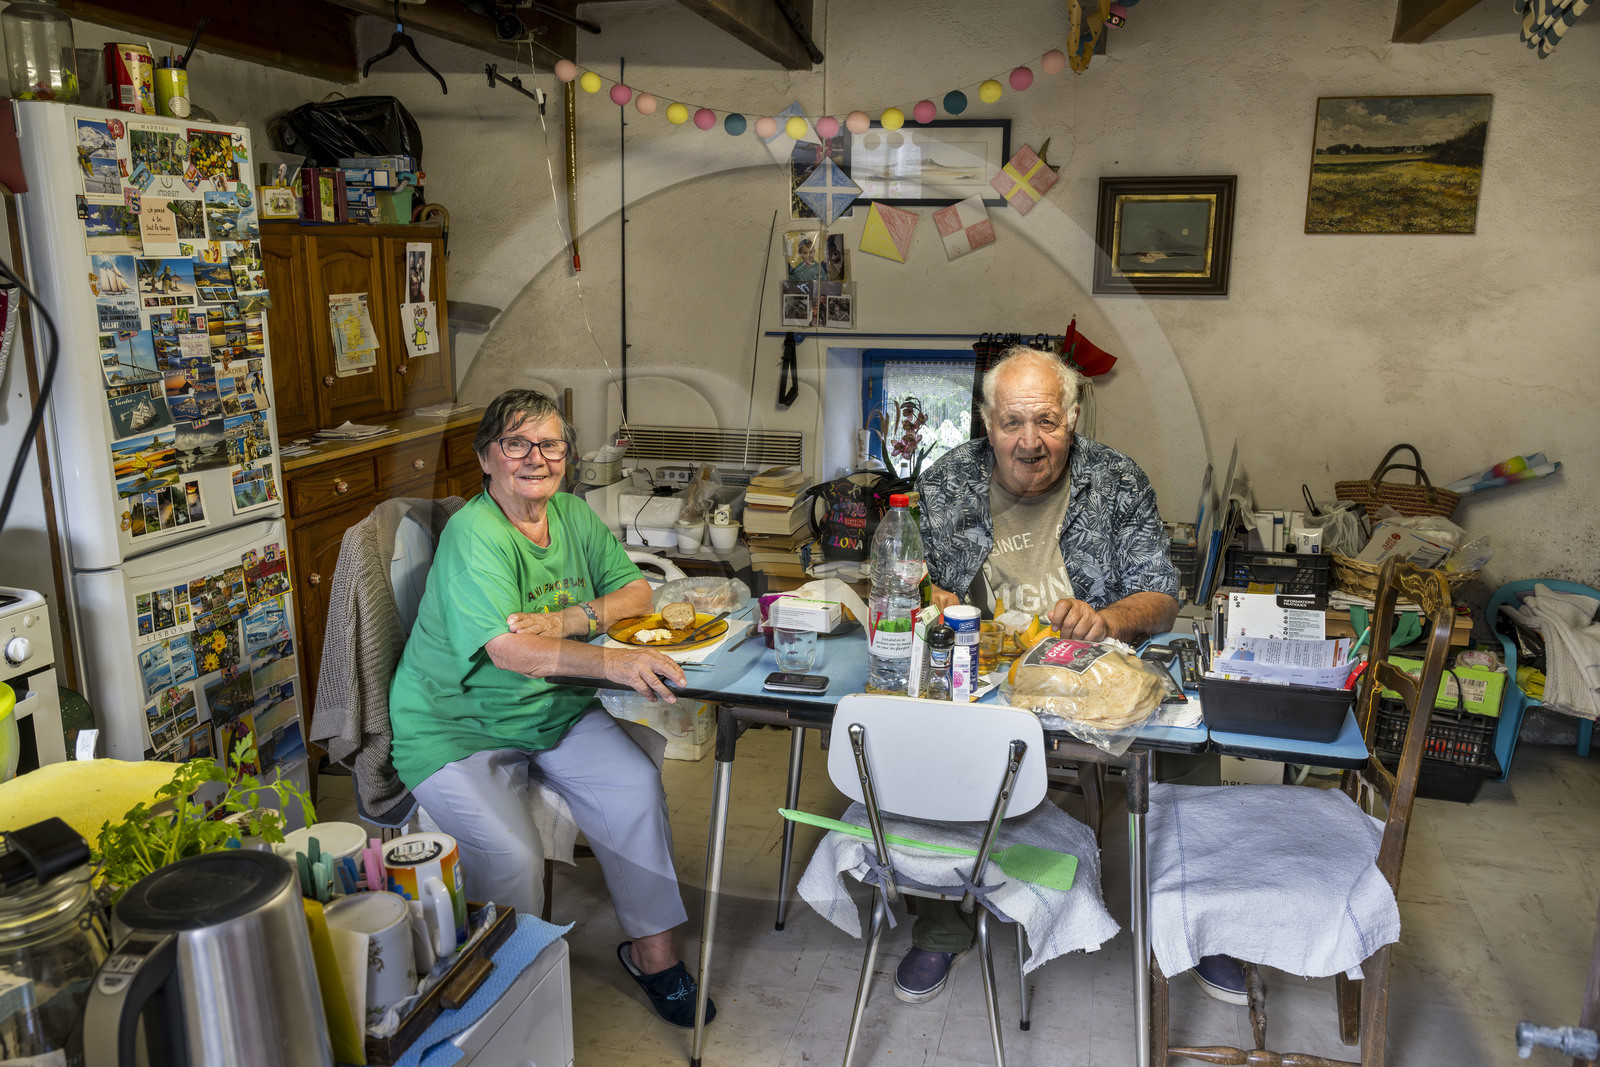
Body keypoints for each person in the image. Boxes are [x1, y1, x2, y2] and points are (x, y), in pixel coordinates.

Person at [387, 389, 716, 1028]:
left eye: (551, 444)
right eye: (517, 443)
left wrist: (569, 617)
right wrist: (613, 662)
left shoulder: (572, 514)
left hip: (552, 712)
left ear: (566, 456)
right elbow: (512, 651)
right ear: (487, 458)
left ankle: (654, 958)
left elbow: (635, 590)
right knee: (512, 858)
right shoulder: (473, 534)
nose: (536, 458)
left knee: (635, 785)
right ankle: (507, 997)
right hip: (456, 724)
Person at [900, 346, 1188, 1003]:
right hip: (984, 672)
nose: (1030, 442)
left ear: (1074, 416)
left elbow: (1163, 597)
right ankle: (942, 923)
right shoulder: (946, 481)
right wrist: (931, 600)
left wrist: (1108, 618)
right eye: (1011, 423)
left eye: (1048, 421)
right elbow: (913, 585)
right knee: (915, 727)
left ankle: (1195, 922)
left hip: (1093, 670)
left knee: (1190, 744)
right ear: (985, 420)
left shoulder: (1116, 479)